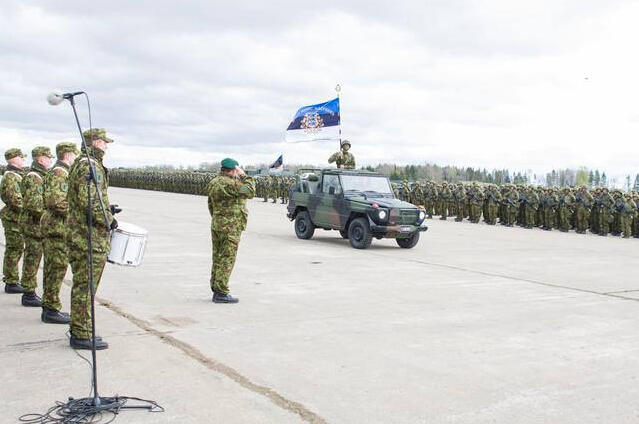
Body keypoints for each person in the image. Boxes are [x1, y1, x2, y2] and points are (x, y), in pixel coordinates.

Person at [67, 129, 117, 350]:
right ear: (96, 142)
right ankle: (81, 334)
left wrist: (108, 209)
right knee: (85, 287)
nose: (106, 146)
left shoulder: (82, 162)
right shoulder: (90, 165)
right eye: (105, 142)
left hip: (82, 234)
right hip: (88, 237)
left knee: (83, 285)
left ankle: (81, 329)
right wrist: (109, 220)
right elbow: (91, 202)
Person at [207, 158, 255, 303]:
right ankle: (221, 293)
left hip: (217, 224)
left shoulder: (214, 182)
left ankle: (216, 288)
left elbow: (210, 204)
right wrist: (245, 175)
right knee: (227, 258)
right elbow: (250, 191)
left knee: (217, 257)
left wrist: (219, 218)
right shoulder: (231, 183)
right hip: (230, 227)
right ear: (233, 170)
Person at [40, 142, 79, 324]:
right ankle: (51, 308)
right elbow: (56, 202)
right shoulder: (59, 173)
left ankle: (50, 306)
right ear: (67, 155)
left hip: (57, 227)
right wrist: (78, 210)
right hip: (57, 228)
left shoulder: (60, 172)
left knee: (53, 268)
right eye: (74, 154)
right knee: (55, 269)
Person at [20, 146, 54, 307]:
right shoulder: (34, 177)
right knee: (32, 258)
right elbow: (35, 205)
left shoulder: (39, 176)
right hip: (34, 225)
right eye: (48, 158)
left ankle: (29, 291)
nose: (50, 161)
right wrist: (49, 216)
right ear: (40, 159)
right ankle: (28, 292)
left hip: (36, 224)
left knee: (33, 257)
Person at [1, 148, 27, 294]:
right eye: (21, 158)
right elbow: (14, 200)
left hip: (16, 218)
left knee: (16, 248)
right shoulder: (11, 177)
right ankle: (11, 281)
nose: (23, 160)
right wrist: (30, 208)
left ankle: (12, 279)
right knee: (14, 248)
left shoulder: (15, 175)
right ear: (14, 159)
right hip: (13, 218)